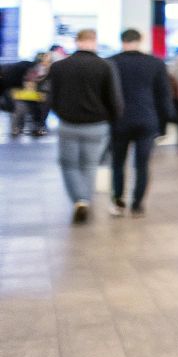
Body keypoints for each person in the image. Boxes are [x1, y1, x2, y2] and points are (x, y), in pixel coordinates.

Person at [46, 29, 124, 224]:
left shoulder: (59, 67)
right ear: (94, 41)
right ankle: (85, 199)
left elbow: (51, 98)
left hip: (68, 124)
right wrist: (114, 118)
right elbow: (114, 98)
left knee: (69, 164)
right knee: (89, 165)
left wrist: (60, 113)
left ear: (77, 41)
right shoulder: (105, 66)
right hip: (97, 125)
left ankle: (79, 200)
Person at [107, 29, 175, 217]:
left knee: (118, 163)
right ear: (140, 40)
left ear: (122, 41)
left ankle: (118, 201)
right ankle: (137, 204)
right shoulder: (155, 63)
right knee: (142, 165)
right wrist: (164, 124)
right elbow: (164, 96)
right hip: (147, 120)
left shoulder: (111, 62)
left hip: (118, 121)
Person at [12, 52, 51, 137]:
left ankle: (39, 127)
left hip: (45, 93)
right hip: (31, 92)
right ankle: (18, 127)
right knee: (21, 107)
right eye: (45, 59)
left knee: (44, 105)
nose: (46, 61)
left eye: (48, 60)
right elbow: (28, 81)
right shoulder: (33, 69)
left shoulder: (51, 70)